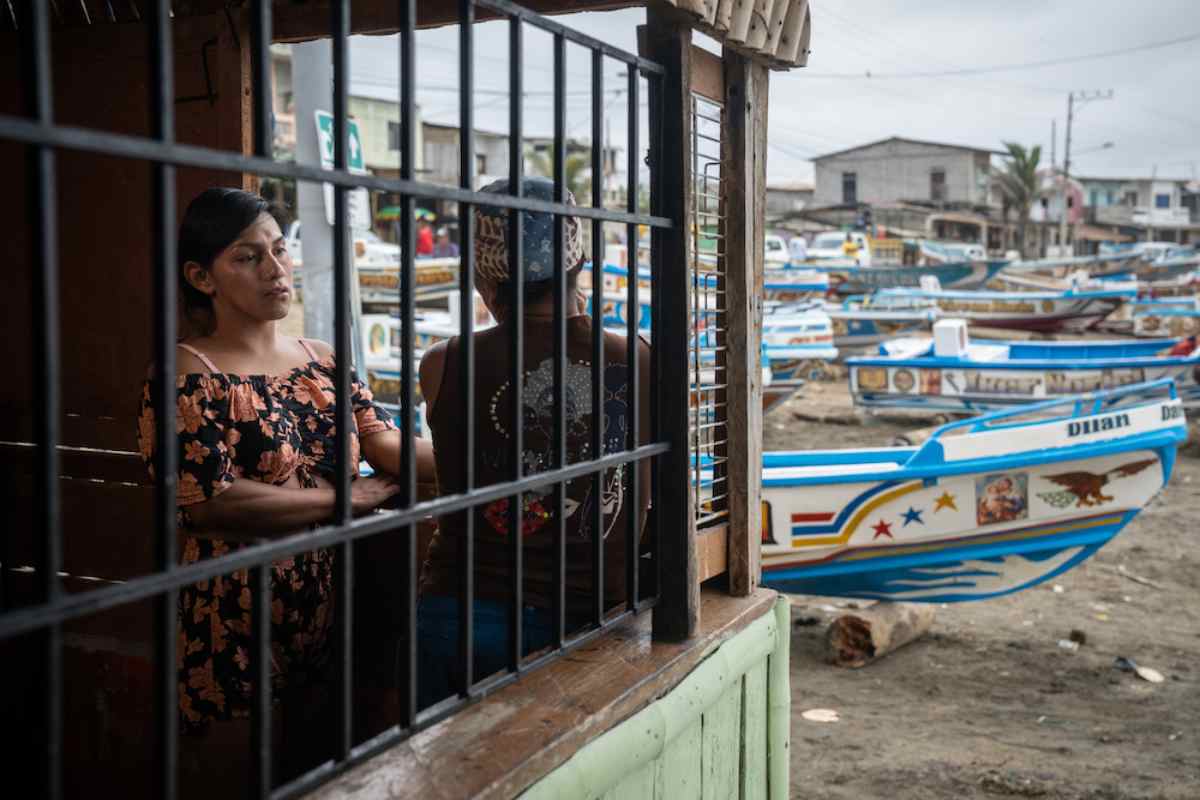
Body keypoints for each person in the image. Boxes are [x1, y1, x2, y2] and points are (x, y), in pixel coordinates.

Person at [136, 187, 435, 790]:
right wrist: (341, 500)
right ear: (202, 277)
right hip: (237, 615)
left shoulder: (320, 358)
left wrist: (484, 451)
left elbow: (381, 444)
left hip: (339, 601)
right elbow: (211, 500)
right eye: (248, 258)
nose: (276, 269)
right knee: (246, 777)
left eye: (279, 250)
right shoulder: (190, 372)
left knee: (334, 771)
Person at [416, 177, 651, 708]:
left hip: (463, 609)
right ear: (579, 264)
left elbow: (459, 464)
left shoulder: (446, 361)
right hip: (591, 613)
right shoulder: (637, 359)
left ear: (484, 275)